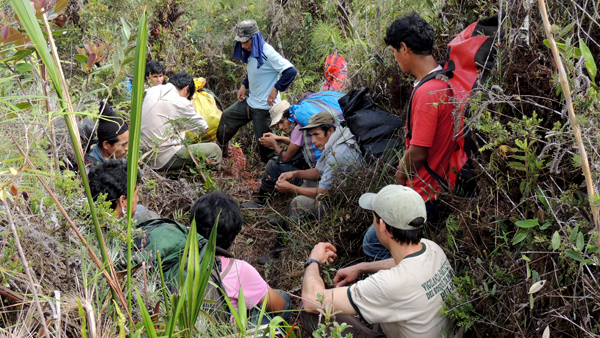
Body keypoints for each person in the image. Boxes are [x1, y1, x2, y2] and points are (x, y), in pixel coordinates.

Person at [300, 185, 458, 338]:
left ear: (382, 225)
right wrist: (361, 268)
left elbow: (311, 300)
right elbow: (400, 264)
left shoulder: (390, 284)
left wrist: (313, 260)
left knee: (309, 312)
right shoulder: (432, 248)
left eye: (374, 217)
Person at [364, 13, 457, 260]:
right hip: (434, 187)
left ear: (404, 48)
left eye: (394, 51)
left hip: (423, 194)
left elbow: (418, 151)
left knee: (373, 243)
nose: (395, 58)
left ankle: (396, 290)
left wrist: (399, 175)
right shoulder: (441, 81)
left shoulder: (428, 93)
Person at [190, 191, 292, 325]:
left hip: (186, 322)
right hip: (219, 329)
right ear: (235, 237)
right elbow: (278, 307)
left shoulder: (175, 251)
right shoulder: (240, 270)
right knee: (284, 300)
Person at [216, 19, 297, 163]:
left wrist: (276, 89)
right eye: (240, 42)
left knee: (265, 143)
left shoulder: (267, 52)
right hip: (250, 101)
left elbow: (291, 70)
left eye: (245, 41)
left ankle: (273, 175)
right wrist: (243, 85)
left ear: (254, 38)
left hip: (264, 108)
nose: (243, 45)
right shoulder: (251, 51)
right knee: (227, 118)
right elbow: (255, 71)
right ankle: (219, 153)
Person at [275, 112, 362, 220]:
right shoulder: (335, 140)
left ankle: (292, 229)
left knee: (298, 203)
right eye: (311, 135)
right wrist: (295, 174)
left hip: (345, 203)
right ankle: (298, 218)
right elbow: (319, 171)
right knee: (307, 182)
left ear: (330, 130)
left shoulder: (338, 153)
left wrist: (291, 188)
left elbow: (322, 192)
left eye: (316, 134)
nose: (314, 141)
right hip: (338, 190)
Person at [141, 72, 222, 171]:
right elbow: (203, 128)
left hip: (144, 152)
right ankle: (213, 176)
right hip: (162, 158)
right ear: (186, 89)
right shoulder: (180, 101)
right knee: (215, 150)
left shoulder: (152, 90)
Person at [241, 100, 311, 209]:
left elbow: (285, 158)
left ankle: (261, 201)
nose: (280, 127)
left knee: (273, 164)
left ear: (289, 116)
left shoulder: (298, 129)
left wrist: (274, 144)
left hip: (308, 179)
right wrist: (278, 138)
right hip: (310, 171)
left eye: (282, 121)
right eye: (278, 123)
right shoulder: (301, 123)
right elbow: (295, 142)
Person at [87, 160, 157, 221]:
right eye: (135, 195)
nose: (138, 199)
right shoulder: (116, 235)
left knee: (141, 208)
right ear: (122, 201)